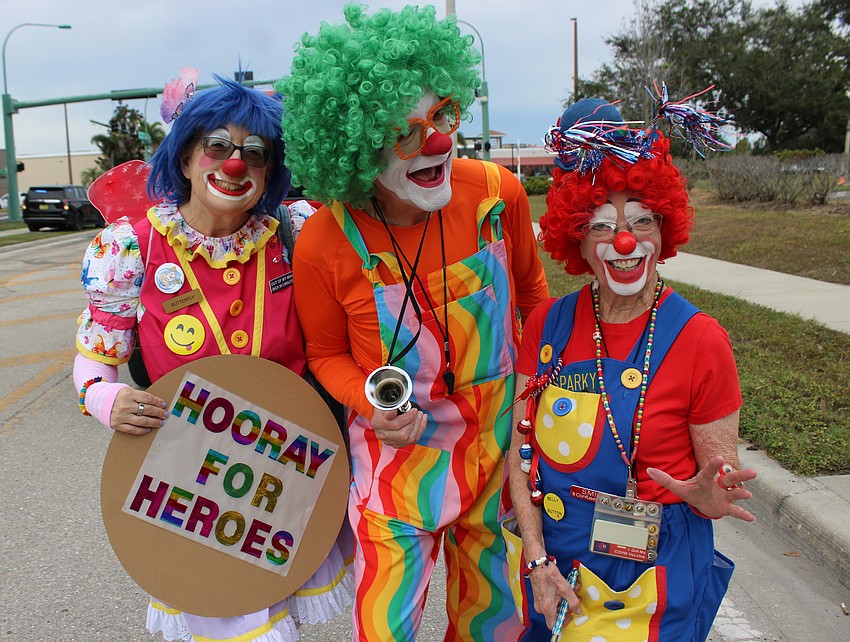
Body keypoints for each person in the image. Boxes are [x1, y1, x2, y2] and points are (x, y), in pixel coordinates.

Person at [277, 5, 550, 640]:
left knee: (494, 628)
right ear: (356, 146)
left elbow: (535, 304)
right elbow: (325, 356)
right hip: (397, 465)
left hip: (498, 455)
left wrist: (541, 403)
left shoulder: (496, 195)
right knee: (383, 629)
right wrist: (370, 406)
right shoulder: (324, 241)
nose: (437, 144)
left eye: (442, 117)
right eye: (405, 133)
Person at [73, 75, 352, 642]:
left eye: (256, 153)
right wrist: (105, 398)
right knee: (227, 615)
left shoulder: (295, 235)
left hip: (287, 463)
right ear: (185, 156)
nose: (235, 164)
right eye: (217, 146)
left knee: (276, 606)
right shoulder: (131, 248)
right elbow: (94, 363)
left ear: (270, 172)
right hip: (188, 477)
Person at [506, 98, 757, 642]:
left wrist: (708, 496)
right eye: (601, 226)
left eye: (642, 220)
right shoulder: (547, 324)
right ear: (577, 238)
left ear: (664, 230)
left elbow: (719, 472)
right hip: (559, 572)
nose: (625, 241)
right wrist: (536, 560)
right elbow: (519, 455)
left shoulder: (701, 340)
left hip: (657, 577)